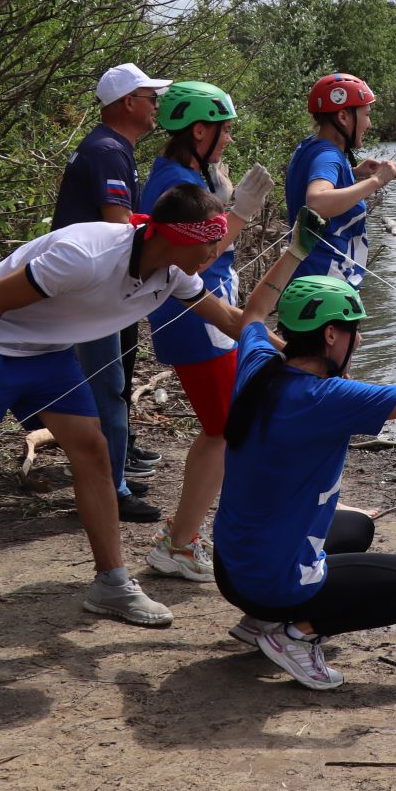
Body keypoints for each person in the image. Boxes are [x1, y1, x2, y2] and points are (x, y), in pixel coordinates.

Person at [0, 184, 255, 626]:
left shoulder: (173, 273)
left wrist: (297, 357)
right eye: (209, 240)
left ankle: (112, 583)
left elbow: (228, 320)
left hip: (48, 354)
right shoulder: (85, 256)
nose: (214, 250)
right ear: (176, 237)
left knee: (93, 451)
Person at [214, 224, 396, 690]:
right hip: (268, 581)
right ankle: (295, 636)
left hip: (232, 569)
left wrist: (297, 250)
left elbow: (255, 309)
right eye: (354, 332)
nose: (358, 342)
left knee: (357, 526)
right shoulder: (327, 396)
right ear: (331, 335)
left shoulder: (259, 364)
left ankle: (260, 622)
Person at [137, 81, 276, 582]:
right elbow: (200, 253)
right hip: (198, 320)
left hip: (209, 313)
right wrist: (237, 212)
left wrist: (221, 189)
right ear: (198, 130)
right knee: (225, 431)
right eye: (225, 131)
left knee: (222, 429)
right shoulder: (173, 182)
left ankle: (181, 536)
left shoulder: (188, 171)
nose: (230, 140)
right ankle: (179, 545)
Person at [53, 62, 170, 521]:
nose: (156, 105)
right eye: (150, 97)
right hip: (89, 289)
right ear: (128, 103)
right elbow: (117, 227)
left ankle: (109, 471)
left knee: (108, 385)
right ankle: (112, 489)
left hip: (91, 286)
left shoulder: (112, 147)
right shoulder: (107, 149)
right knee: (108, 388)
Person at [284, 73, 396, 288]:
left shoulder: (311, 146)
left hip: (311, 282)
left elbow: (310, 181)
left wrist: (353, 172)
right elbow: (316, 202)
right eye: (366, 115)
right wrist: (377, 180)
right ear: (343, 117)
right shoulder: (328, 156)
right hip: (325, 286)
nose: (370, 123)